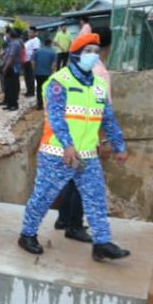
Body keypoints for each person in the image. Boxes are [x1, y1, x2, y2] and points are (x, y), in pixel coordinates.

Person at [17, 32, 131, 262]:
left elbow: (107, 118)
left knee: (96, 198)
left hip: (87, 154)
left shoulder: (98, 85)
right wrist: (68, 146)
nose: (93, 56)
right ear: (76, 54)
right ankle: (27, 234)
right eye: (88, 51)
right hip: (57, 153)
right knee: (43, 196)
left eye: (96, 52)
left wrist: (119, 146)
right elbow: (56, 118)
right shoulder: (59, 82)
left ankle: (102, 243)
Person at [54, 26, 115, 243]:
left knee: (72, 177)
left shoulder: (76, 68)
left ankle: (63, 218)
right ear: (107, 47)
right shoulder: (99, 73)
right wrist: (103, 139)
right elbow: (100, 110)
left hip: (71, 133)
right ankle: (74, 225)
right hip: (85, 135)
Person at [32, 37, 57, 111]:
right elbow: (54, 64)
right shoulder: (52, 52)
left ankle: (39, 104)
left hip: (38, 73)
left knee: (39, 88)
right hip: (47, 73)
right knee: (47, 88)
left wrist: (34, 70)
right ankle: (46, 104)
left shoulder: (37, 51)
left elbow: (33, 62)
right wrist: (52, 72)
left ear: (43, 43)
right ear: (50, 44)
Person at [0, 29, 23, 111]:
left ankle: (14, 104)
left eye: (7, 34)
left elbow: (11, 57)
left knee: (12, 86)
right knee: (8, 86)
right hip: (10, 67)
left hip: (12, 68)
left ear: (10, 35)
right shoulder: (11, 44)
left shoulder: (15, 44)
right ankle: (9, 104)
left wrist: (5, 68)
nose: (6, 36)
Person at [23, 27, 40, 97]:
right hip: (25, 60)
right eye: (28, 32)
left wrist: (33, 60)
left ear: (35, 33)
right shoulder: (28, 41)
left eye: (31, 32)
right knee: (27, 77)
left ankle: (31, 91)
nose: (29, 33)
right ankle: (28, 90)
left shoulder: (36, 40)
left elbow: (35, 51)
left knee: (30, 77)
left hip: (30, 61)